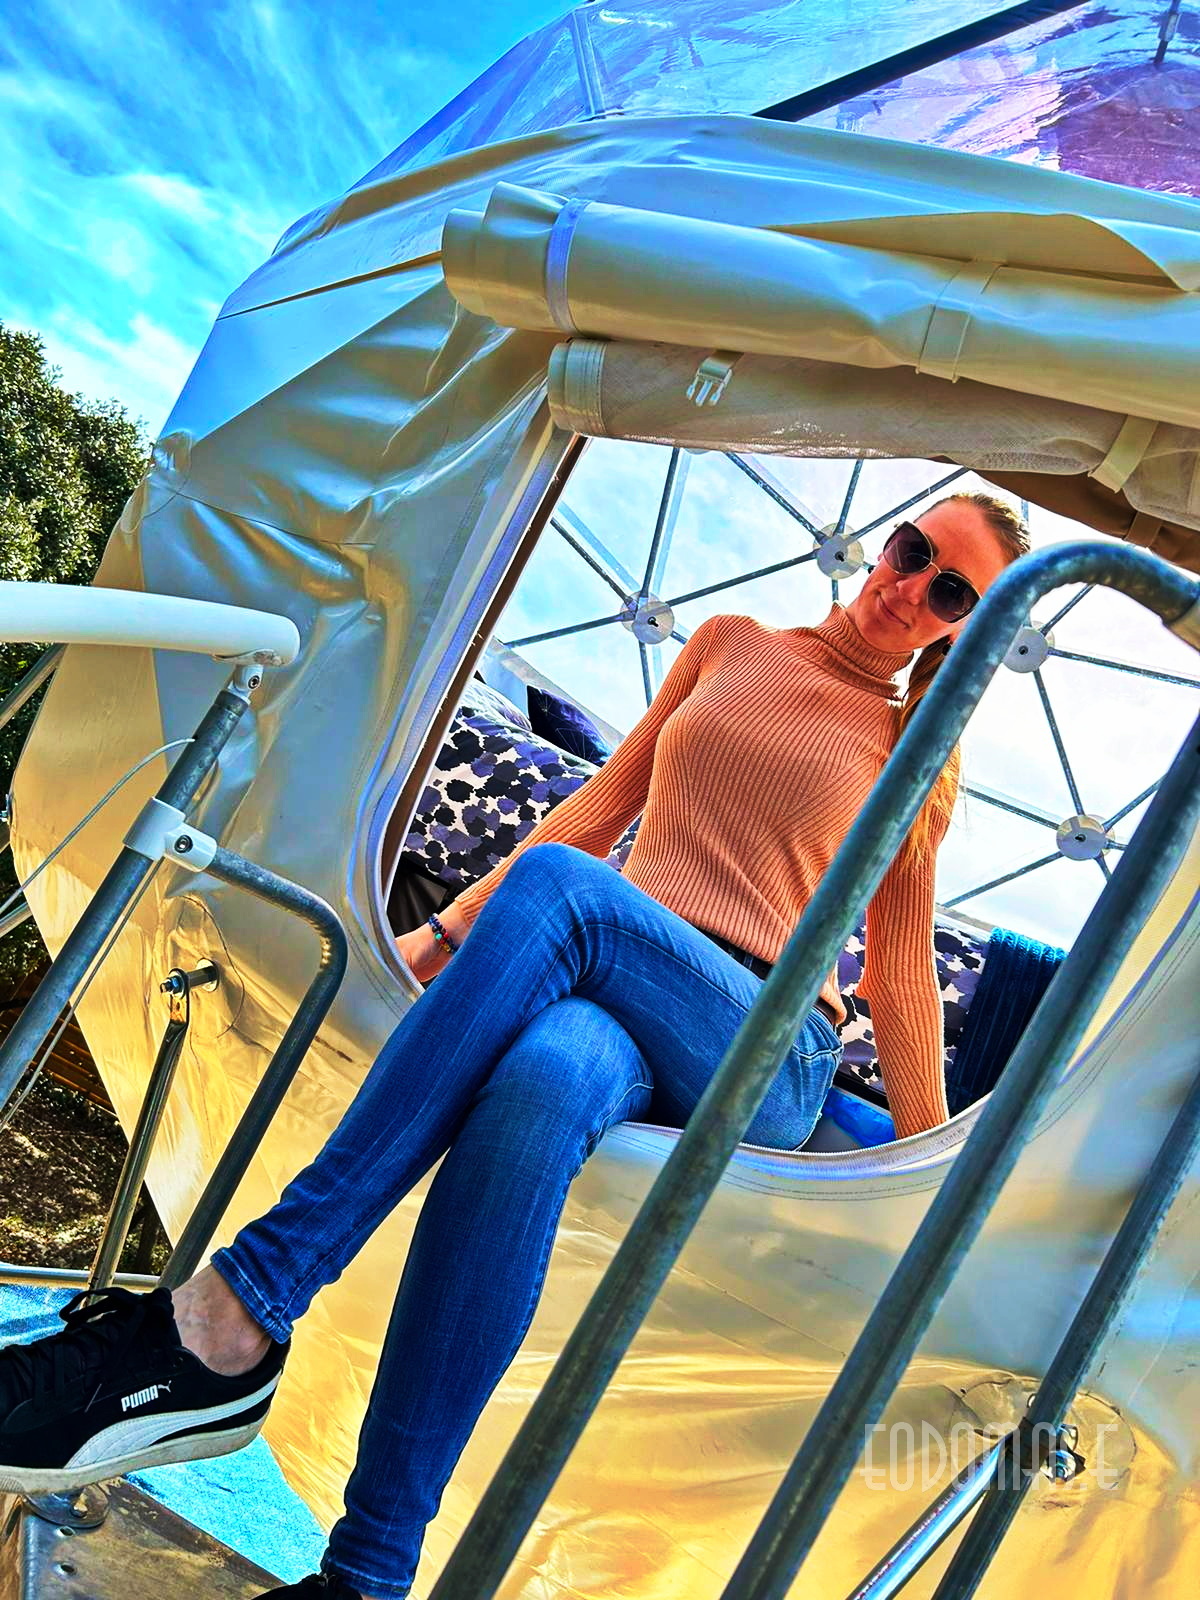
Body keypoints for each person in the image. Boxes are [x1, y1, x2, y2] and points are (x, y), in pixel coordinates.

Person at [0, 492, 1028, 1599]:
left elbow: (899, 971)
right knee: (537, 1088)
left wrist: (933, 1180)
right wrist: (443, 936)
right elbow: (599, 811)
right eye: (914, 550)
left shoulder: (916, 749)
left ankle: (235, 1310)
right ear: (884, 541)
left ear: (961, 632)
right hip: (616, 990)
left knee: (565, 895)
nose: (913, 587)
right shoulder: (732, 643)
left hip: (765, 1043)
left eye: (951, 592)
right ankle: (366, 1575)